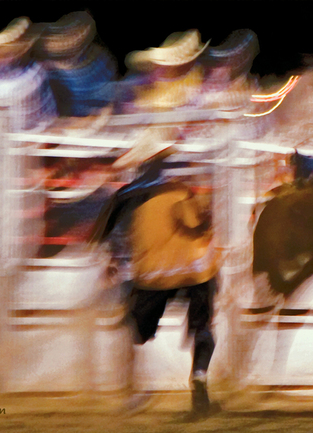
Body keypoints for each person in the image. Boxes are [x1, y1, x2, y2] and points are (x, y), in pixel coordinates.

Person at [90, 129, 221, 420]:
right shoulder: (185, 188)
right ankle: (199, 377)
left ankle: (137, 391)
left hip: (154, 273)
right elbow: (205, 226)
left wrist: (112, 262)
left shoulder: (125, 195)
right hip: (198, 268)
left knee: (134, 331)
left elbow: (104, 238)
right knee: (204, 327)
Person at [36, 11, 118, 119]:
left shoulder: (100, 60)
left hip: (95, 122)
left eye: (75, 34)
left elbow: (108, 101)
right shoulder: (42, 70)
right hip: (60, 126)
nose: (62, 42)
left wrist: (99, 116)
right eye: (54, 38)